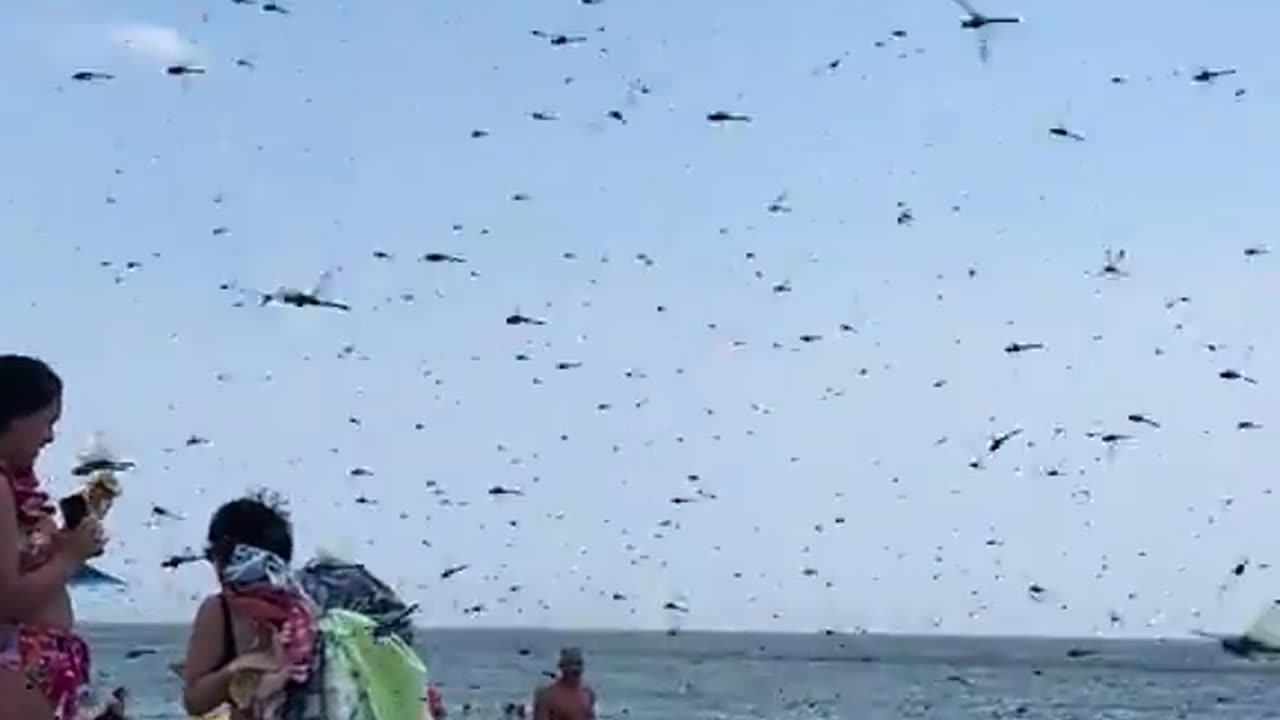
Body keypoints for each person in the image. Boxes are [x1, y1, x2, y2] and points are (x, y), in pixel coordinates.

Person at [0, 355, 107, 720]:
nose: (49, 436)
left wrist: (62, 545)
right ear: (13, 418)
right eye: (47, 422)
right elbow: (6, 599)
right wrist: (70, 557)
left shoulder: (12, 487)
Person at [180, 492, 313, 720]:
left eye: (214, 555)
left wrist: (241, 667)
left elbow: (194, 700)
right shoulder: (307, 610)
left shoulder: (219, 610)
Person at [532, 648, 596, 720]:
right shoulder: (547, 695)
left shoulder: (588, 693)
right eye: (571, 664)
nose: (576, 669)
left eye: (579, 664)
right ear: (562, 667)